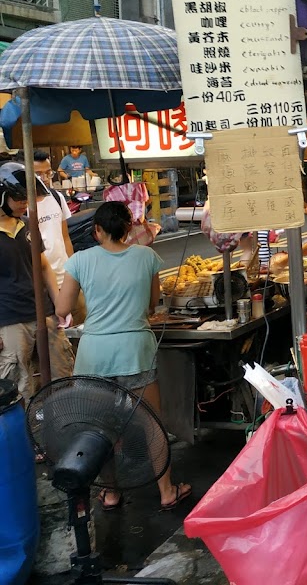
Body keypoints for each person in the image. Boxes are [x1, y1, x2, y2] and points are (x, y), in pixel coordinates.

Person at [56, 201, 191, 511]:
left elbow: (63, 309)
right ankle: (168, 491)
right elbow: (151, 303)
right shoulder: (147, 257)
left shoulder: (80, 260)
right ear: (129, 228)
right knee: (151, 424)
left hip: (94, 355)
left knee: (98, 427)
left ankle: (111, 492)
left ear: (97, 231)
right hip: (135, 350)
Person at [0, 163, 76, 401]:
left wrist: (59, 304)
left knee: (62, 372)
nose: (25, 203)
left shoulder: (27, 224)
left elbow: (43, 266)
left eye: (28, 198)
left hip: (44, 311)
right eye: (19, 197)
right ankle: (24, 435)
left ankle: (62, 426)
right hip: (10, 318)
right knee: (19, 384)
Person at [32, 151, 86, 325]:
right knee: (56, 331)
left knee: (82, 324)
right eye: (38, 174)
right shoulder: (21, 207)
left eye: (48, 172)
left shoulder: (56, 196)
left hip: (67, 278)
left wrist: (73, 270)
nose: (45, 178)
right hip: (43, 284)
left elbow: (65, 237)